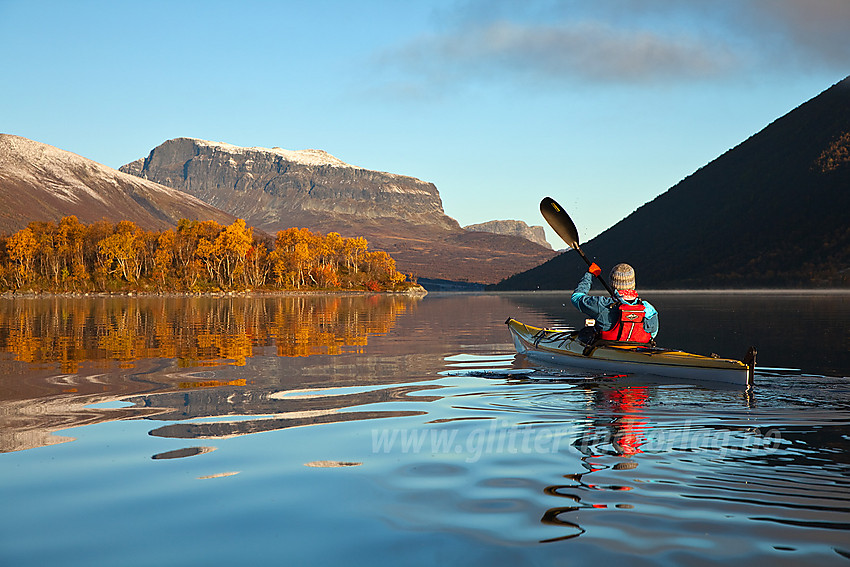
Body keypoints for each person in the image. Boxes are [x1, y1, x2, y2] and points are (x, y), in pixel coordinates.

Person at [571, 262, 658, 345]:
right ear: (633, 284)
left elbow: (576, 298)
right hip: (639, 347)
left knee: (586, 332)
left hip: (606, 346)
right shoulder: (648, 308)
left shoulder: (602, 304)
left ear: (612, 284)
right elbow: (653, 333)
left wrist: (589, 275)